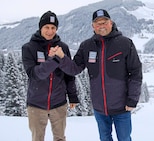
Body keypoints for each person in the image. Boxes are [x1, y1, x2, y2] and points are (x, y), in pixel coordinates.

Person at [52, 9, 142, 141]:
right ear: (93, 26)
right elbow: (74, 69)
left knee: (124, 138)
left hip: (122, 106)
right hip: (100, 108)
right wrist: (61, 57)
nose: (101, 26)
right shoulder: (86, 46)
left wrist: (132, 99)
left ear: (110, 23)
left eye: (104, 22)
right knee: (104, 138)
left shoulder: (125, 43)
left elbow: (135, 73)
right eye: (98, 23)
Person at [21, 11, 79, 141]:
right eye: (46, 27)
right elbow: (35, 74)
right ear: (40, 27)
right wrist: (55, 59)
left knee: (60, 138)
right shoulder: (29, 48)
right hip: (36, 104)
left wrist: (73, 96)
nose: (50, 31)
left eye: (53, 28)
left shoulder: (63, 47)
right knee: (37, 138)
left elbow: (69, 74)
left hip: (59, 103)